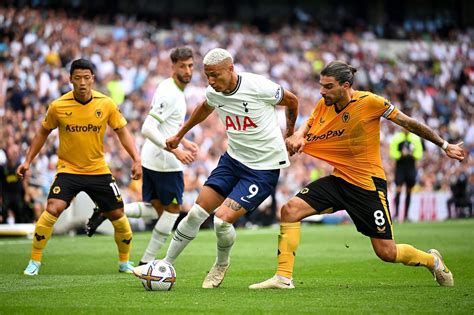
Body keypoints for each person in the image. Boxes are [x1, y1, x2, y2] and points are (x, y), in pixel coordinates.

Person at [249, 60, 465, 289]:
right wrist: (300, 134)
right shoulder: (325, 104)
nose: (322, 91)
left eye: (328, 86)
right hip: (339, 180)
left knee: (387, 252)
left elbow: (408, 123)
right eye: (321, 85)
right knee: (290, 210)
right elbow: (310, 123)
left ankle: (432, 260)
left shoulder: (370, 102)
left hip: (367, 186)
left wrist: (444, 145)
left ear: (345, 85)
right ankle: (283, 278)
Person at [134, 48, 299, 288]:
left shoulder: (258, 86)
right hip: (233, 161)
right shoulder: (215, 91)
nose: (211, 81)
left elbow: (292, 100)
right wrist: (180, 134)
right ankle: (165, 263)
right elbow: (205, 106)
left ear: (230, 69)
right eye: (207, 76)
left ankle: (221, 264)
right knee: (195, 213)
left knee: (221, 221)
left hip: (262, 168)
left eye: (215, 75)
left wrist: (290, 134)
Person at [17, 58, 142, 276]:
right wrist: (28, 160)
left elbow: (122, 131)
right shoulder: (58, 106)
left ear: (93, 79)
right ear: (70, 80)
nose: (82, 82)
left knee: (118, 215)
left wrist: (136, 159)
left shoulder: (106, 104)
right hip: (68, 170)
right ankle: (34, 262)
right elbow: (42, 133)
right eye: (77, 78)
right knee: (53, 209)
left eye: (86, 77)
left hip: (98, 170)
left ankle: (125, 263)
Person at [123, 47, 198, 265]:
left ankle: (113, 208)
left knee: (157, 210)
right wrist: (176, 150)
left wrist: (184, 140)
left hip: (151, 158)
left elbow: (168, 124)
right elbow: (147, 128)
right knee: (173, 211)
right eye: (182, 66)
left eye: (190, 65)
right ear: (173, 66)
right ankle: (147, 260)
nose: (187, 70)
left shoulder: (168, 86)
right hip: (165, 162)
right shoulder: (171, 93)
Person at [389, 130, 423, 221]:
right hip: (400, 167)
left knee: (409, 191)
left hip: (411, 167)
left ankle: (406, 215)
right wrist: (400, 154)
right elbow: (392, 153)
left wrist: (412, 154)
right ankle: (396, 214)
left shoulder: (415, 138)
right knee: (398, 189)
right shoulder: (397, 137)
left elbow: (419, 153)